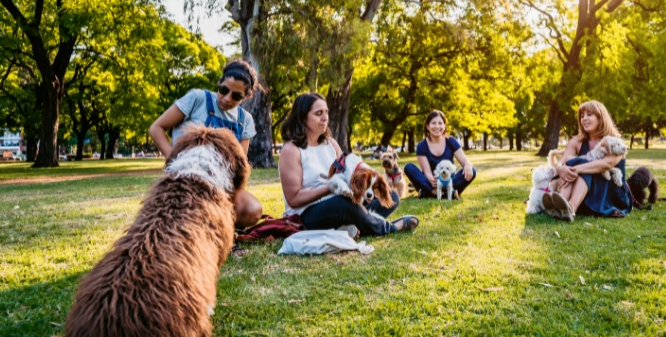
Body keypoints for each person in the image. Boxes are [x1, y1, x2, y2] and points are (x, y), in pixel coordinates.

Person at [279, 92, 419, 236]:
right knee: (346, 204)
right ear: (302, 117)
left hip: (339, 203)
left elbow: (347, 173)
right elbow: (294, 199)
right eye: (318, 113)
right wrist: (330, 187)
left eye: (326, 112)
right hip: (307, 214)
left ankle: (351, 227)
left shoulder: (331, 144)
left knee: (390, 195)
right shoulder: (291, 150)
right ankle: (388, 228)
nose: (325, 118)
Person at [149, 59, 263, 228]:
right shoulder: (197, 98)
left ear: (246, 96)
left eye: (236, 96)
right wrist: (174, 159)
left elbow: (239, 165)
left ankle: (217, 228)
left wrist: (225, 194)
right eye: (223, 90)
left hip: (219, 184)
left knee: (252, 210)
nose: (227, 98)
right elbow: (156, 128)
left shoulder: (245, 120)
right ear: (219, 83)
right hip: (186, 177)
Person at [544, 100, 633, 222]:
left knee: (581, 165)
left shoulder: (615, 142)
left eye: (589, 115)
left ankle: (571, 207)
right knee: (571, 163)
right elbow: (563, 160)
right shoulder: (576, 141)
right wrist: (560, 169)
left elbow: (605, 165)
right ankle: (561, 204)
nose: (584, 118)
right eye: (582, 116)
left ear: (601, 118)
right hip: (587, 191)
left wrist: (575, 169)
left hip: (611, 193)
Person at [404, 110, 476, 199]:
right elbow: (427, 172)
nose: (437, 126)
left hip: (449, 181)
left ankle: (428, 193)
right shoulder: (421, 146)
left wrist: (468, 165)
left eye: (440, 123)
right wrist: (431, 179)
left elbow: (465, 161)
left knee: (472, 171)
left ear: (444, 126)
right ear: (427, 126)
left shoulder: (451, 141)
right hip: (431, 183)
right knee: (409, 167)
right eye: (433, 123)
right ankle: (437, 192)